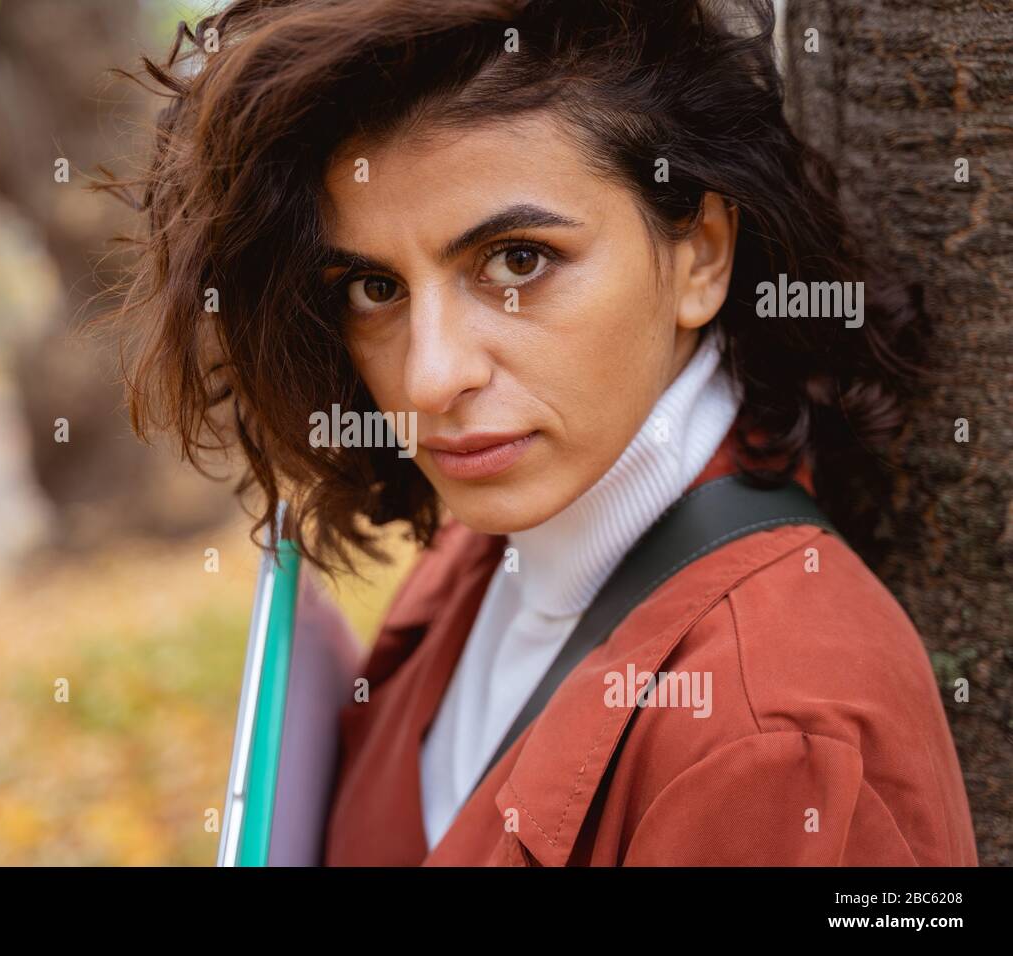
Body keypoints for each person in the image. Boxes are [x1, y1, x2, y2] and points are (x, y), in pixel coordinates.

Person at [108, 0, 978, 865]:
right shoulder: (493, 543)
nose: (429, 379)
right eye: (375, 289)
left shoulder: (771, 738)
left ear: (701, 254)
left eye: (518, 261)